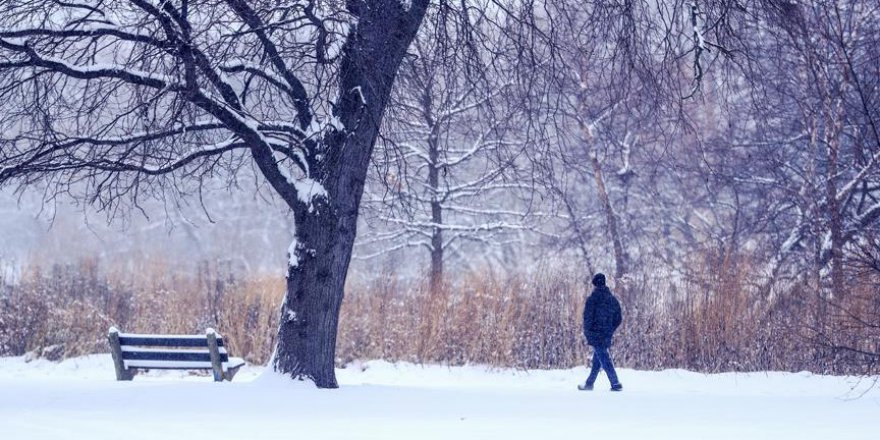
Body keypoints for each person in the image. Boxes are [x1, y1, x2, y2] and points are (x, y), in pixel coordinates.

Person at [579, 273, 623, 391]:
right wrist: (610, 329)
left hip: (595, 334)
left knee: (604, 357)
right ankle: (589, 383)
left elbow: (587, 318)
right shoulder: (612, 299)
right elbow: (618, 318)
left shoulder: (592, 300)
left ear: (594, 284)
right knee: (598, 359)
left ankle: (615, 383)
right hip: (607, 333)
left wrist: (588, 333)